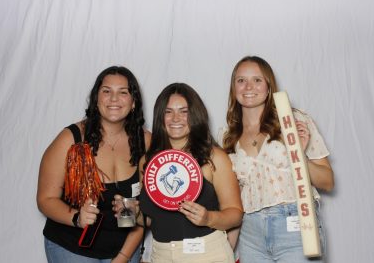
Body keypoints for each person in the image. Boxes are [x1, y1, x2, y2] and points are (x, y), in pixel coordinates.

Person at [219, 56, 334, 262]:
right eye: (241, 80)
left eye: (257, 80)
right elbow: (235, 201)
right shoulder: (226, 136)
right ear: (233, 87)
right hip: (250, 234)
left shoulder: (293, 120)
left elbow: (327, 181)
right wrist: (226, 252)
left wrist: (297, 153)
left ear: (269, 85)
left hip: (296, 227)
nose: (248, 87)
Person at [37, 66, 151, 263]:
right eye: (106, 91)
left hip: (123, 248)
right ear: (96, 99)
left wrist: (123, 258)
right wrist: (76, 218)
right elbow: (45, 199)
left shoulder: (146, 142)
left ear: (133, 102)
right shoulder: (70, 139)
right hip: (71, 247)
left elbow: (146, 212)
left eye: (123, 92)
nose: (114, 98)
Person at [138, 83, 243, 263]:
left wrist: (209, 218)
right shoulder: (148, 162)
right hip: (160, 255)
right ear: (160, 117)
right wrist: (133, 213)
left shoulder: (214, 157)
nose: (175, 118)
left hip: (207, 255)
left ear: (195, 115)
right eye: (168, 111)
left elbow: (235, 214)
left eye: (184, 111)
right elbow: (151, 220)